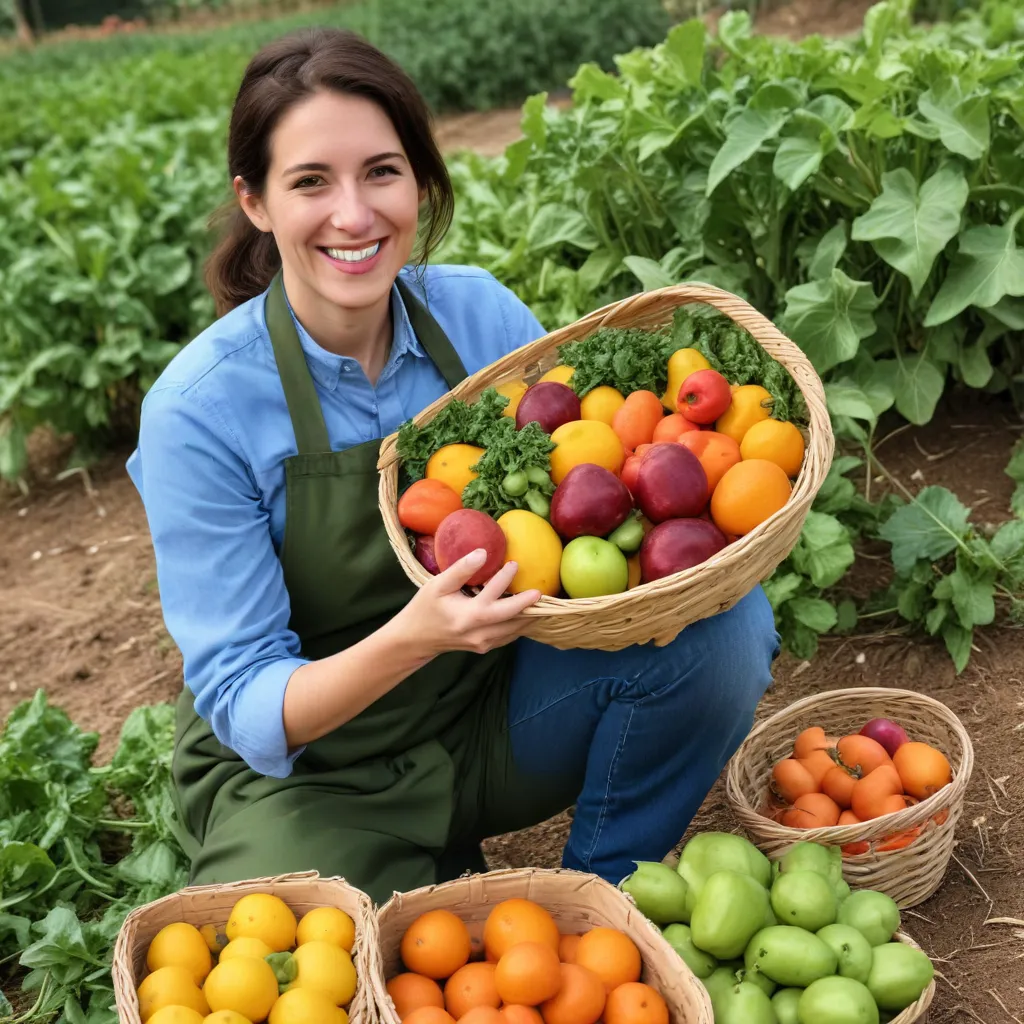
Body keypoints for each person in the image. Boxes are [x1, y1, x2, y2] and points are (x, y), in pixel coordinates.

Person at [127, 26, 780, 906]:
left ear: (421, 180)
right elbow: (248, 708)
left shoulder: (477, 319)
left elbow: (576, 493)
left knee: (719, 634)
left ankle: (605, 905)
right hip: (314, 776)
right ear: (255, 202)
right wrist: (416, 636)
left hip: (492, 717)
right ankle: (408, 871)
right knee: (281, 965)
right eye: (310, 182)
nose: (354, 215)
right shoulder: (200, 411)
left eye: (382, 172)